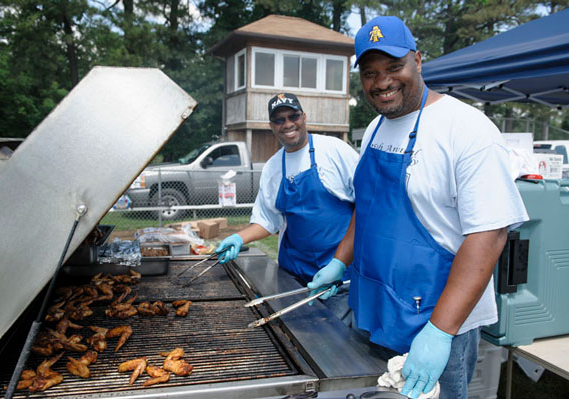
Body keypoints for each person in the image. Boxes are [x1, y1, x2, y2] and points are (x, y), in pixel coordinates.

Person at [307, 16, 529, 399]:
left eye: (394, 67)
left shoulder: (467, 129)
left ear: (418, 61)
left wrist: (441, 331)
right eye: (370, 73)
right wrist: (339, 262)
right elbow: (369, 207)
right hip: (374, 308)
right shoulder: (378, 127)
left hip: (436, 320)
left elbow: (490, 234)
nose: (382, 82)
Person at [216, 93, 359, 324]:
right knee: (299, 340)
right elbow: (267, 220)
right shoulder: (273, 167)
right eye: (280, 120)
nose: (288, 124)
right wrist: (238, 238)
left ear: (304, 117)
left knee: (336, 345)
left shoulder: (334, 150)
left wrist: (339, 264)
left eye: (293, 116)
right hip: (295, 277)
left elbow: (365, 204)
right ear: (272, 126)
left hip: (339, 274)